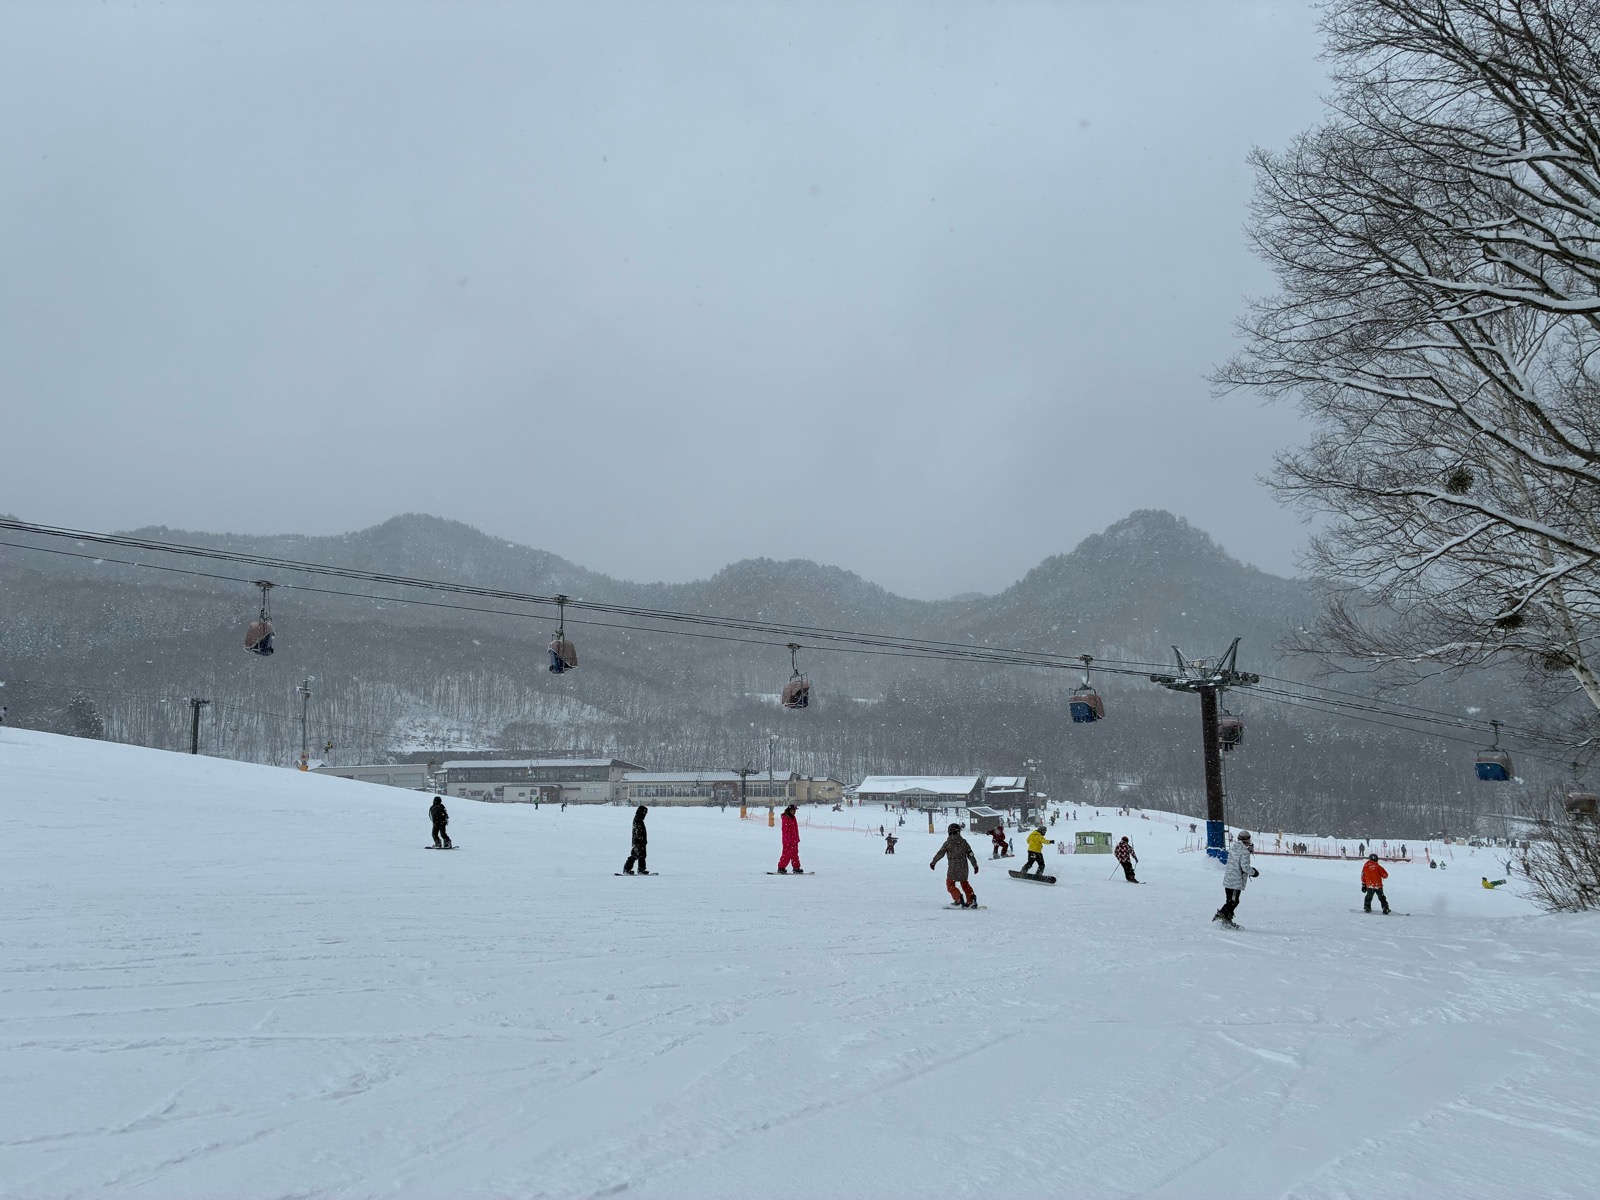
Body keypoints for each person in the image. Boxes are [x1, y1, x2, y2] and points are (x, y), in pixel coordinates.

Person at [1212, 831, 1257, 926]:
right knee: (1234, 901)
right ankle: (1221, 915)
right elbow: (1245, 867)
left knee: (1230, 900)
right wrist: (1254, 872)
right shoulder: (1245, 852)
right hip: (1236, 881)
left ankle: (1227, 919)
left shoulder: (1233, 848)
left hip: (1228, 879)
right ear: (1247, 840)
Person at [931, 822, 980, 907]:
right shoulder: (964, 842)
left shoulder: (947, 843)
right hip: (964, 866)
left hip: (953, 866)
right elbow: (970, 854)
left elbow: (940, 854)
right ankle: (971, 899)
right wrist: (975, 865)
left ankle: (958, 898)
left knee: (950, 883)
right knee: (964, 883)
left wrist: (933, 862)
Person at [623, 805, 649, 874]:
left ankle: (641, 869)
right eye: (644, 813)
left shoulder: (639, 820)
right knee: (636, 855)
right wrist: (640, 839)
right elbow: (638, 832)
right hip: (638, 842)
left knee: (641, 855)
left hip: (640, 841)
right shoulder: (638, 820)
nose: (644, 814)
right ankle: (627, 869)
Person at [777, 804, 803, 873]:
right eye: (792, 810)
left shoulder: (793, 818)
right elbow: (785, 830)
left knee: (795, 854)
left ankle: (796, 867)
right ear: (789, 810)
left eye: (795, 810)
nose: (794, 812)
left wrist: (796, 838)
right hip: (788, 841)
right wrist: (788, 841)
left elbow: (795, 829)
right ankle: (781, 867)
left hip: (794, 840)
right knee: (786, 855)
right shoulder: (786, 818)